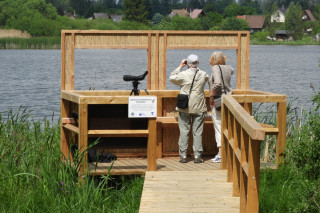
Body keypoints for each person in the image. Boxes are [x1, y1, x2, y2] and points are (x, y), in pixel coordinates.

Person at [169, 54, 209, 164]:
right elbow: (206, 78)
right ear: (198, 63)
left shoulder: (183, 74)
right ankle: (197, 156)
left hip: (184, 106)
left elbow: (171, 77)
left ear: (187, 64)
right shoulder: (203, 74)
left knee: (184, 131)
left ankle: (183, 156)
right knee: (197, 132)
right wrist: (196, 67)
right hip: (199, 106)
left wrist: (180, 66)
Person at [208, 51, 234, 163]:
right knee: (227, 126)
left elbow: (218, 83)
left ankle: (220, 154)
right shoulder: (229, 68)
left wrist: (211, 94)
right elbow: (231, 71)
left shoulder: (215, 68)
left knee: (218, 127)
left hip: (218, 101)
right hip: (229, 100)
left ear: (213, 60)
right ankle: (228, 153)